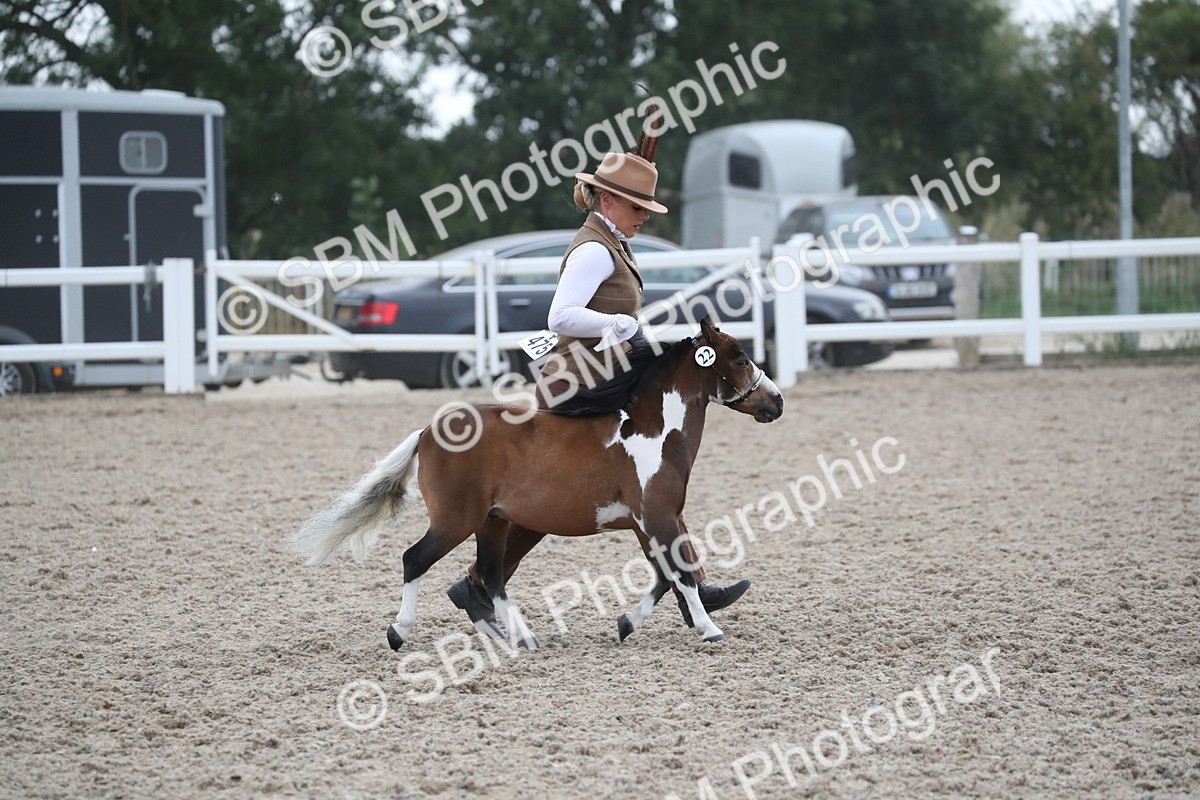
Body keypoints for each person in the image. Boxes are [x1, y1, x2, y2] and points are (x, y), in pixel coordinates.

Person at [446, 150, 750, 635]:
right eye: (638, 209)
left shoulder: (611, 239)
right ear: (608, 200)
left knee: (636, 481)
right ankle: (479, 581)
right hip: (578, 383)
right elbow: (560, 316)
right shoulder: (593, 250)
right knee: (586, 492)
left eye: (647, 210)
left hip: (602, 377)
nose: (644, 218)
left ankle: (689, 580)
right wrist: (618, 322)